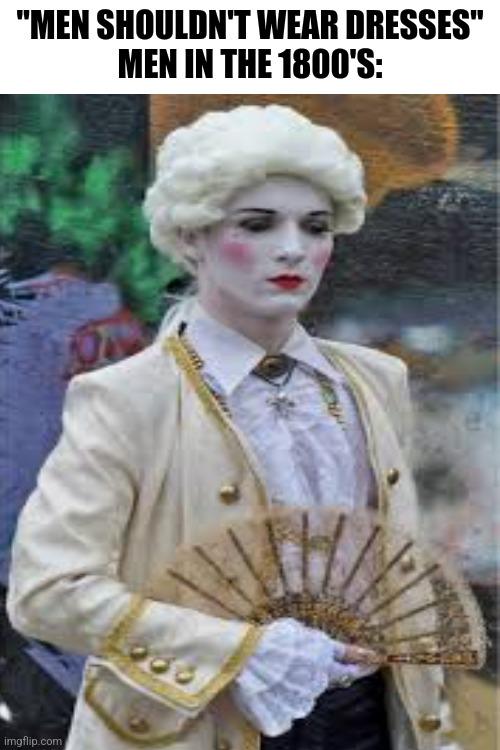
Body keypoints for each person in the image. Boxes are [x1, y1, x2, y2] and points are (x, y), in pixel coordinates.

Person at [7, 105, 445, 750]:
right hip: (202, 720)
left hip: (372, 716)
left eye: (316, 226)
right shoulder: (124, 399)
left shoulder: (376, 380)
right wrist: (241, 651)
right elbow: (47, 592)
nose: (292, 248)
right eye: (257, 224)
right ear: (192, 238)